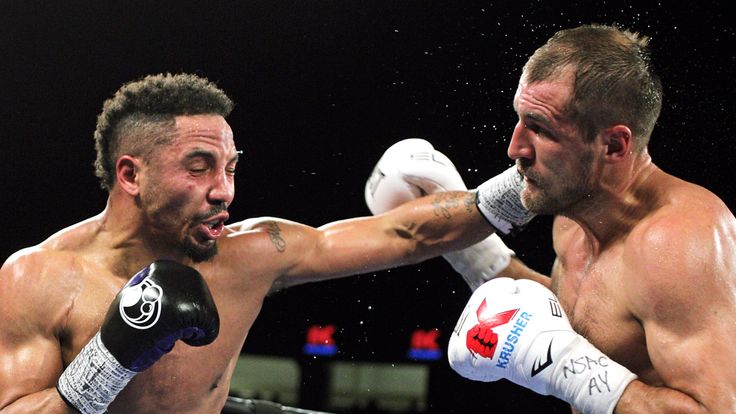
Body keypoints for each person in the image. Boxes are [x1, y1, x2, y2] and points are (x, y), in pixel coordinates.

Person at [0, 73, 538, 413]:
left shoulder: (251, 252)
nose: (224, 190)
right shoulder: (39, 278)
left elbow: (406, 231)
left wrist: (531, 182)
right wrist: (109, 359)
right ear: (130, 175)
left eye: (230, 168)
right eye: (199, 167)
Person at [372, 24, 736, 413]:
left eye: (541, 128)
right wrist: (473, 253)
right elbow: (583, 322)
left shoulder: (679, 244)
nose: (515, 147)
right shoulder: (574, 215)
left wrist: (569, 370)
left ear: (613, 145)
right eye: (520, 119)